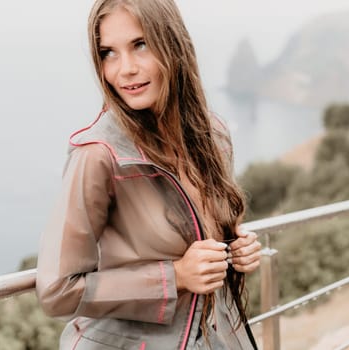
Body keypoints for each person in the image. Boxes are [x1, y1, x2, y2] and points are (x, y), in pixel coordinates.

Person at [35, 0, 261, 349]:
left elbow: (197, 231)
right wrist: (175, 277)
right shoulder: (97, 155)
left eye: (140, 45)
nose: (124, 69)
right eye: (108, 52)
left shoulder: (213, 137)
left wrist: (234, 250)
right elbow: (56, 290)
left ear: (172, 43)